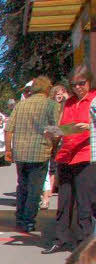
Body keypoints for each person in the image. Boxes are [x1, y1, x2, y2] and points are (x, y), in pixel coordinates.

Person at [47, 66, 96, 253]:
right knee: (64, 201)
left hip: (86, 155)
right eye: (74, 85)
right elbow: (62, 126)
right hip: (66, 155)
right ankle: (61, 239)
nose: (77, 88)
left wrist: (89, 125)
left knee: (84, 203)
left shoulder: (93, 100)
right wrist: (53, 133)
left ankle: (86, 243)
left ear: (89, 82)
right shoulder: (69, 103)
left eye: (81, 84)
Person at [4, 75, 59, 238]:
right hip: (40, 152)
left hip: (20, 152)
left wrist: (8, 150)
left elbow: (8, 129)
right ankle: (28, 221)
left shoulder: (21, 105)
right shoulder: (51, 105)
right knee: (35, 189)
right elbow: (55, 130)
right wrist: (54, 147)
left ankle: (20, 217)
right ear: (48, 89)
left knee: (22, 186)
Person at [41, 84, 70, 210]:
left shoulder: (68, 106)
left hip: (63, 143)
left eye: (62, 93)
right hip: (51, 142)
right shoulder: (49, 107)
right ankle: (45, 198)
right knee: (49, 169)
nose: (60, 95)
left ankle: (49, 195)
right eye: (57, 93)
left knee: (58, 170)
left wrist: (67, 99)